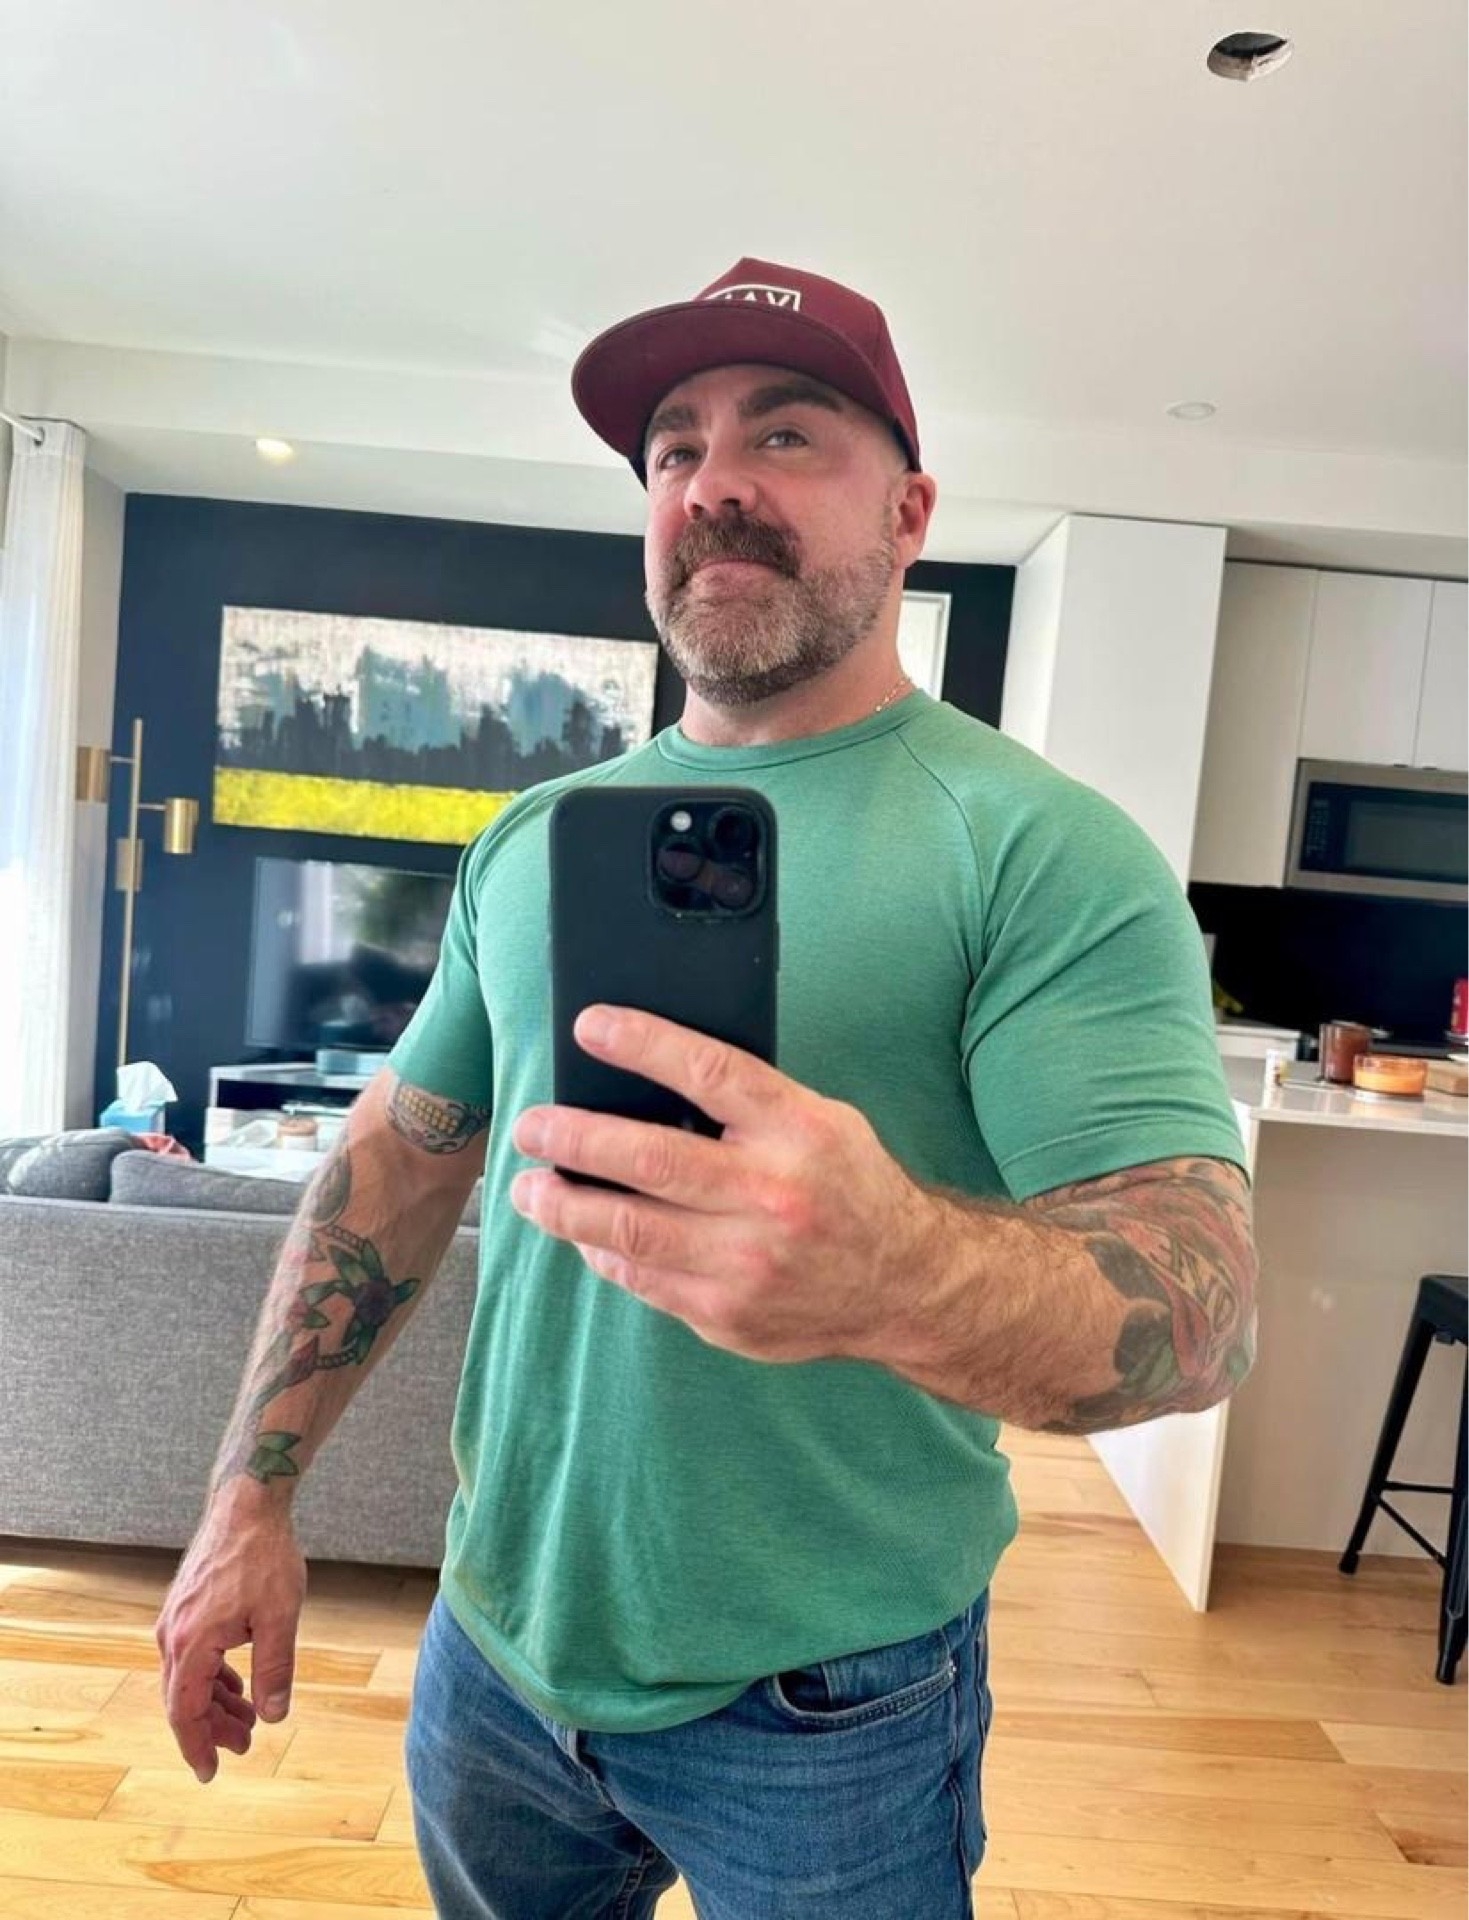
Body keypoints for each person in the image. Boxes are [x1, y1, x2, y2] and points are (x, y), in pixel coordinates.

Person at [157, 256, 1259, 1918]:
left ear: (908, 511)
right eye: (673, 448)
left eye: (786, 435)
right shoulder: (533, 839)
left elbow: (1205, 1303)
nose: (713, 483)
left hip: (833, 1706)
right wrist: (246, 1502)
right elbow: (400, 1156)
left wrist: (898, 1269)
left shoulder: (1040, 850)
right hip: (495, 1647)